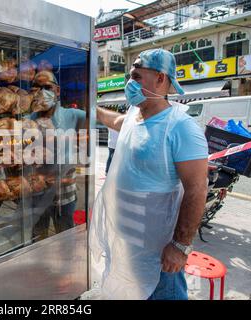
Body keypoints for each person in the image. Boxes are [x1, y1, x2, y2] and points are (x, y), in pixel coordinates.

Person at [91, 48, 208, 300]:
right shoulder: (135, 117)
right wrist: (94, 110)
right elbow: (117, 122)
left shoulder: (181, 127)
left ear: (160, 78)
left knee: (164, 293)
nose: (129, 84)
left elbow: (197, 188)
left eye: (136, 76)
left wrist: (179, 246)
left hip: (159, 247)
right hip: (128, 240)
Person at [31, 70, 87, 240]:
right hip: (37, 190)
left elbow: (94, 124)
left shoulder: (72, 115)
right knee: (38, 236)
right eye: (37, 88)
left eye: (47, 87)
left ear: (57, 90)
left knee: (65, 236)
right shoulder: (29, 119)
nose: (42, 92)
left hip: (64, 190)